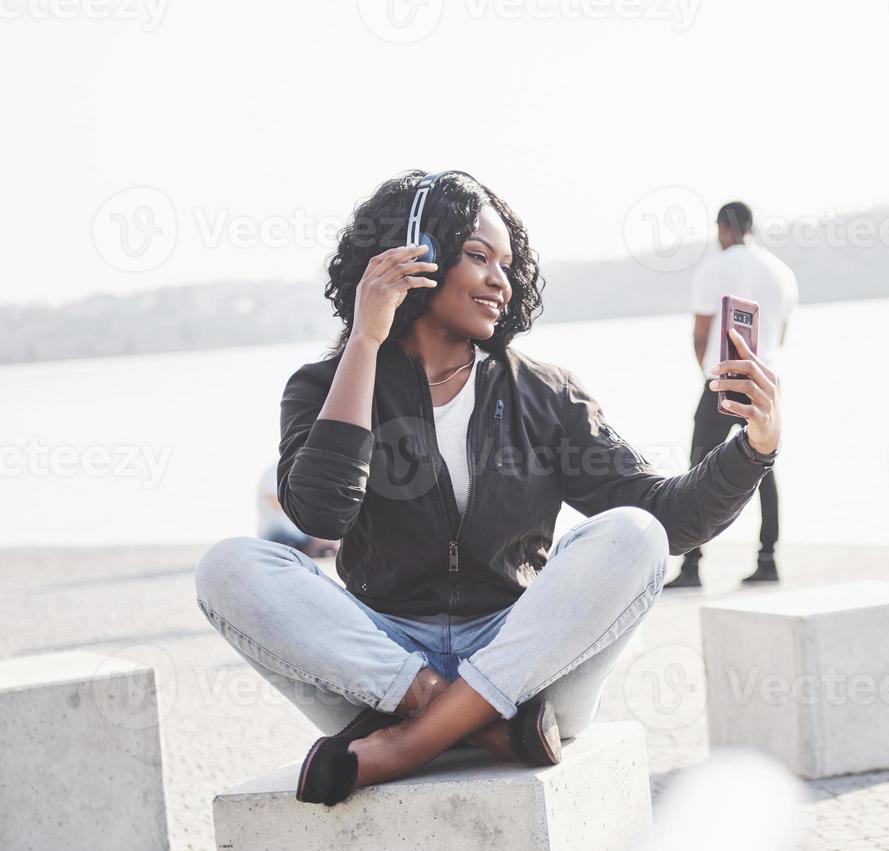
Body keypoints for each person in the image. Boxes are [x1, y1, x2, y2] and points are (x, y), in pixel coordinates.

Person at [192, 170, 783, 806]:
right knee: (229, 566)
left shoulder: (543, 393)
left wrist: (755, 447)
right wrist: (365, 341)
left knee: (633, 535)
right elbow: (323, 515)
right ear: (412, 256)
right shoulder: (323, 385)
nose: (502, 280)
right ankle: (467, 718)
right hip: (386, 670)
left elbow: (670, 517)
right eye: (478, 257)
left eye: (507, 263)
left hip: (528, 665)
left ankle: (411, 743)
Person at [665, 201, 797, 589]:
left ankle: (691, 566)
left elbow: (701, 332)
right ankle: (768, 559)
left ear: (724, 228)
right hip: (765, 380)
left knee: (697, 468)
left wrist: (707, 373)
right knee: (765, 467)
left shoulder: (714, 267)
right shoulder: (781, 272)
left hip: (722, 378)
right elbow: (782, 334)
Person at [256, 463, 337, 558]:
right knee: (282, 527)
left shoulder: (307, 471)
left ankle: (315, 548)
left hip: (298, 534)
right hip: (278, 533)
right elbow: (274, 500)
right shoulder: (278, 469)